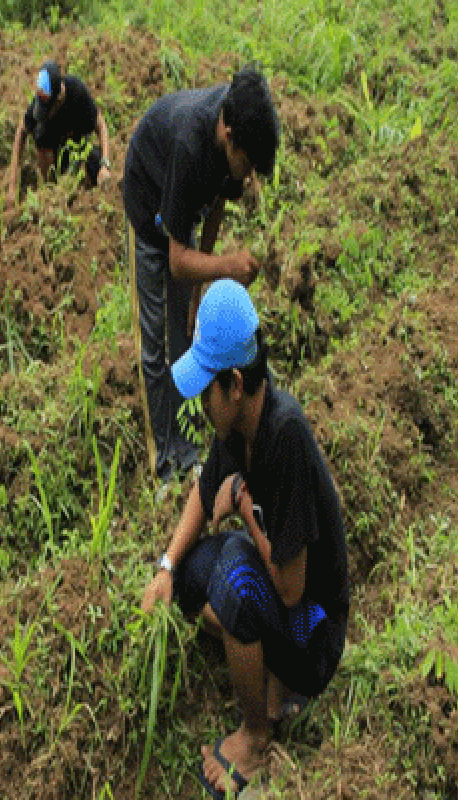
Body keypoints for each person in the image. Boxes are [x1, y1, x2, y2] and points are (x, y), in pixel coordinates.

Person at [140, 280, 349, 798]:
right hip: (285, 600)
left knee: (234, 572)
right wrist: (166, 567)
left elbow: (292, 589)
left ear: (234, 384)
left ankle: (258, 736)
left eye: (206, 388)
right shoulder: (237, 425)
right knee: (195, 572)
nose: (201, 404)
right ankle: (252, 650)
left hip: (312, 629)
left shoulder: (285, 437)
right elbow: (203, 489)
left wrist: (245, 509)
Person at [123, 65, 279, 482]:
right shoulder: (189, 145)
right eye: (246, 164)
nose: (247, 177)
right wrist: (224, 266)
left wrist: (199, 288)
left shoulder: (233, 138)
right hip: (149, 205)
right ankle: (165, 462)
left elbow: (215, 208)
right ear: (229, 135)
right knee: (155, 343)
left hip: (181, 207)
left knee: (184, 333)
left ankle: (187, 444)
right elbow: (176, 261)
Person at [6, 59, 112, 205]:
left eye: (48, 110)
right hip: (54, 151)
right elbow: (21, 132)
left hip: (76, 146)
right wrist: (12, 186)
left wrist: (105, 165)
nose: (46, 114)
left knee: (94, 163)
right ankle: (49, 189)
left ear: (58, 100)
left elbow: (101, 125)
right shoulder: (42, 99)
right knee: (40, 133)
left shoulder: (77, 91)